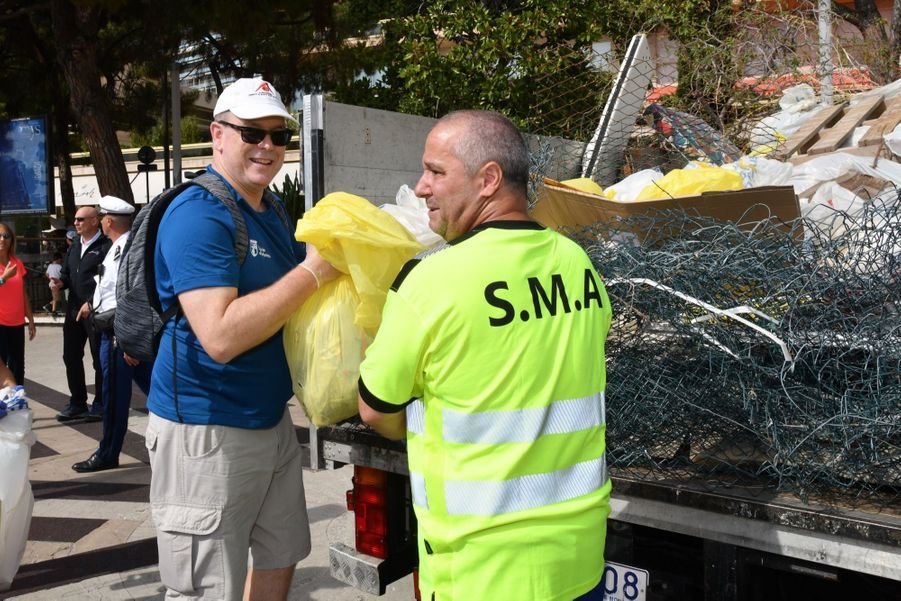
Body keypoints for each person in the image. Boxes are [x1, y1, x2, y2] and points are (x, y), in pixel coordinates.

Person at [357, 110, 614, 601]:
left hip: (480, 574)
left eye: (435, 171)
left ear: (488, 179)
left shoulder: (429, 282)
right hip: (577, 563)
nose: (420, 187)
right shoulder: (578, 264)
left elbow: (375, 408)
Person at [145, 77, 338, 601]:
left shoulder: (269, 209)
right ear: (218, 135)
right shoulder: (199, 214)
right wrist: (313, 273)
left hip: (269, 420)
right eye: (252, 132)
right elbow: (221, 336)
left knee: (281, 556)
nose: (268, 147)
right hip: (205, 432)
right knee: (209, 588)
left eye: (280, 136)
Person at [71, 196, 152, 473]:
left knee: (114, 396)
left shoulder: (126, 249)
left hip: (119, 334)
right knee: (154, 387)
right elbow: (109, 288)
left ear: (107, 221)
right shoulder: (119, 247)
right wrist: (91, 303)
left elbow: (129, 295)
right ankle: (182, 430)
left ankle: (108, 452)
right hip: (115, 330)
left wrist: (128, 338)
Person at [53, 206, 110, 422]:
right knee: (71, 356)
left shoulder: (106, 246)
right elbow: (67, 274)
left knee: (99, 359)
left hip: (96, 312)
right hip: (73, 311)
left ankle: (101, 404)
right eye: (75, 219)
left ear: (95, 221)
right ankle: (77, 402)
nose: (76, 223)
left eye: (81, 219)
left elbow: (108, 281)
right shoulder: (75, 245)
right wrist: (60, 283)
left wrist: (91, 302)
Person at [0, 223, 36, 384]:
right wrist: (4, 277)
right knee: (2, 368)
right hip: (0, 323)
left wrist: (30, 319)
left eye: (6, 236)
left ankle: (16, 402)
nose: (2, 239)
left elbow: (22, 293)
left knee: (18, 367)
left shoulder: (17, 263)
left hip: (16, 323)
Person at [43, 252, 63, 319]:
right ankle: (53, 311)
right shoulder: (60, 267)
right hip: (56, 283)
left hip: (51, 283)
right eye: (60, 259)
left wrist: (50, 278)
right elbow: (62, 275)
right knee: (56, 298)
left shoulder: (50, 266)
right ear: (58, 259)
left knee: (57, 297)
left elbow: (46, 274)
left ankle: (49, 306)